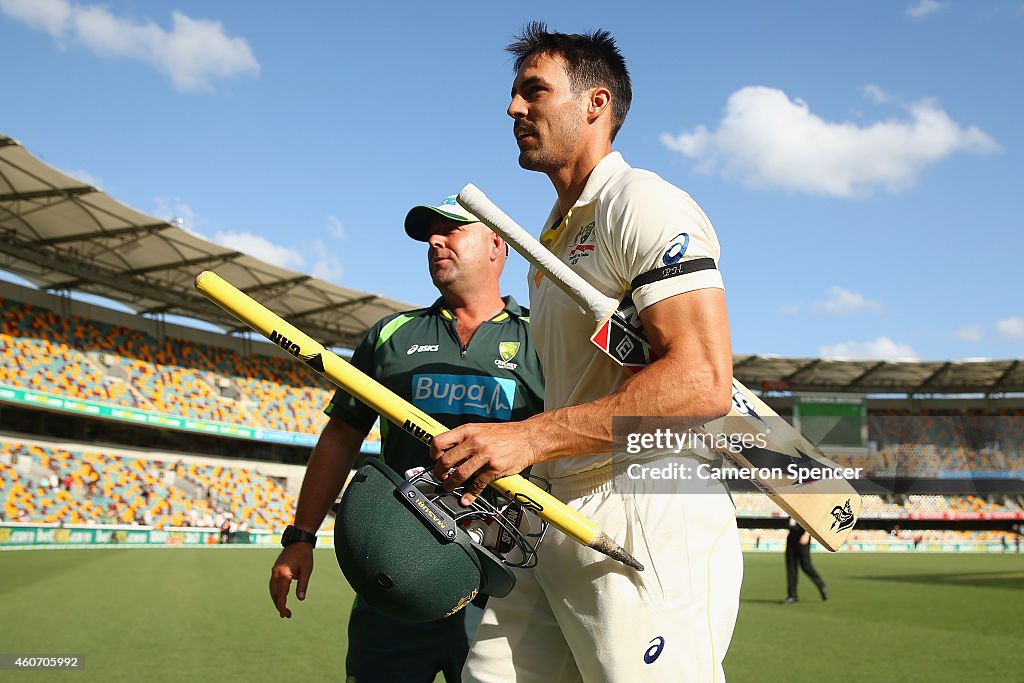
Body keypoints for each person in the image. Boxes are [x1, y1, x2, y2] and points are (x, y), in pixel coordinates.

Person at [431, 24, 742, 682]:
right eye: (514, 95)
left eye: (533, 91)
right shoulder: (548, 245)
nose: (514, 108)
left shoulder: (642, 202)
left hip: (644, 505)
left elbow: (703, 381)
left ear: (595, 103)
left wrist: (529, 438)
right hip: (556, 507)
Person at [269, 197, 545, 683]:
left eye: (453, 230)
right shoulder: (390, 335)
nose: (436, 242)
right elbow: (341, 437)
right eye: (429, 236)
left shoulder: (540, 338)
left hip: (503, 586)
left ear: (497, 245)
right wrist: (301, 537)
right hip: (394, 573)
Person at [782, 518, 828, 604]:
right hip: (791, 537)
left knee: (806, 565)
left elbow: (810, 521)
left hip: (802, 536)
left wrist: (807, 535)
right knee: (791, 568)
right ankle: (792, 595)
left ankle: (821, 585)